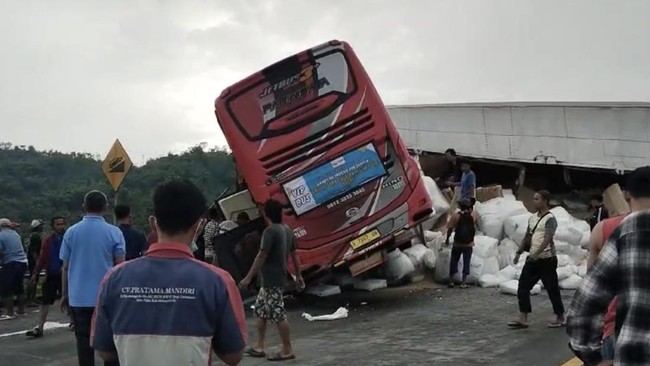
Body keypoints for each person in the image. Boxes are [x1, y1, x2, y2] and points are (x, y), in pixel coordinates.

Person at [91, 179, 247, 366]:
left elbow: (105, 352)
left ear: (152, 223)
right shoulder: (218, 281)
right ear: (198, 226)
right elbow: (233, 356)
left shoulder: (114, 279)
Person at [567, 166, 650, 366]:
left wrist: (591, 357)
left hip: (632, 351)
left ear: (626, 194)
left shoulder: (626, 231)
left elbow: (586, 304)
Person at [60, 190, 125, 366]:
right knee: (110, 347)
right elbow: (119, 267)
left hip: (79, 298)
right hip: (106, 298)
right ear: (105, 207)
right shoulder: (115, 233)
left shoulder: (71, 232)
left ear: (84, 206)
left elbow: (65, 267)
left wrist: (65, 294)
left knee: (83, 345)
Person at [239, 199, 305, 361]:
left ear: (266, 213)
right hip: (273, 279)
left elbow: (262, 255)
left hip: (271, 280)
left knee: (278, 314)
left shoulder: (270, 232)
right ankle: (259, 346)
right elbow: (295, 255)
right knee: (261, 310)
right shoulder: (287, 230)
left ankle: (287, 349)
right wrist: (299, 275)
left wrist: (248, 277)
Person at [507, 190, 565, 329]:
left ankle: (560, 316)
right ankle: (523, 317)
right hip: (532, 259)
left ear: (545, 201)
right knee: (523, 287)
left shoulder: (550, 218)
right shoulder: (532, 218)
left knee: (552, 288)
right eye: (534, 199)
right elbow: (527, 236)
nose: (534, 201)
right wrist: (519, 252)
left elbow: (548, 237)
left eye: (537, 199)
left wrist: (538, 252)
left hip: (547, 260)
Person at [26, 216, 67, 338]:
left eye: (62, 224)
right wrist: (35, 273)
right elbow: (42, 257)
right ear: (53, 226)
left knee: (70, 299)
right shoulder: (48, 240)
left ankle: (75, 323)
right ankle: (40, 327)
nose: (60, 226)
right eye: (58, 224)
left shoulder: (69, 237)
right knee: (45, 301)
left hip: (66, 273)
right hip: (52, 273)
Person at [0, 218, 28, 320]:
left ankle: (9, 312)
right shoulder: (15, 234)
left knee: (6, 288)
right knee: (19, 287)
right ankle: (21, 310)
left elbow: (1, 252)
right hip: (22, 262)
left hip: (10, 263)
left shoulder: (1, 235)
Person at [445, 198, 476, 288]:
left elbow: (450, 229)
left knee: (454, 261)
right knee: (466, 262)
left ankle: (451, 281)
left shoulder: (455, 216)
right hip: (469, 244)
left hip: (457, 243)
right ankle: (463, 283)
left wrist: (447, 239)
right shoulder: (472, 216)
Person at [25, 219, 45, 306]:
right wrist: (38, 262)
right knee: (33, 278)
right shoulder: (35, 237)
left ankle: (33, 298)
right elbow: (34, 251)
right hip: (33, 260)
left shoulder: (33, 235)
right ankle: (30, 299)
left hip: (32, 259)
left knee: (35, 279)